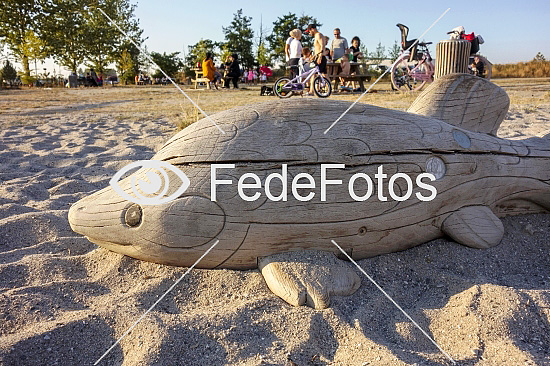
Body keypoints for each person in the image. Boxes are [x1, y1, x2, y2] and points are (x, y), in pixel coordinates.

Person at [305, 24, 327, 94]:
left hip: (320, 57)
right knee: (322, 74)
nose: (309, 33)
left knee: (314, 73)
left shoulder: (318, 35)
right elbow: (317, 48)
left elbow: (322, 45)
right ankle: (328, 89)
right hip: (317, 56)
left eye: (309, 31)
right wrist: (314, 55)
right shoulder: (316, 36)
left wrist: (320, 56)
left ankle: (312, 91)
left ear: (312, 29)